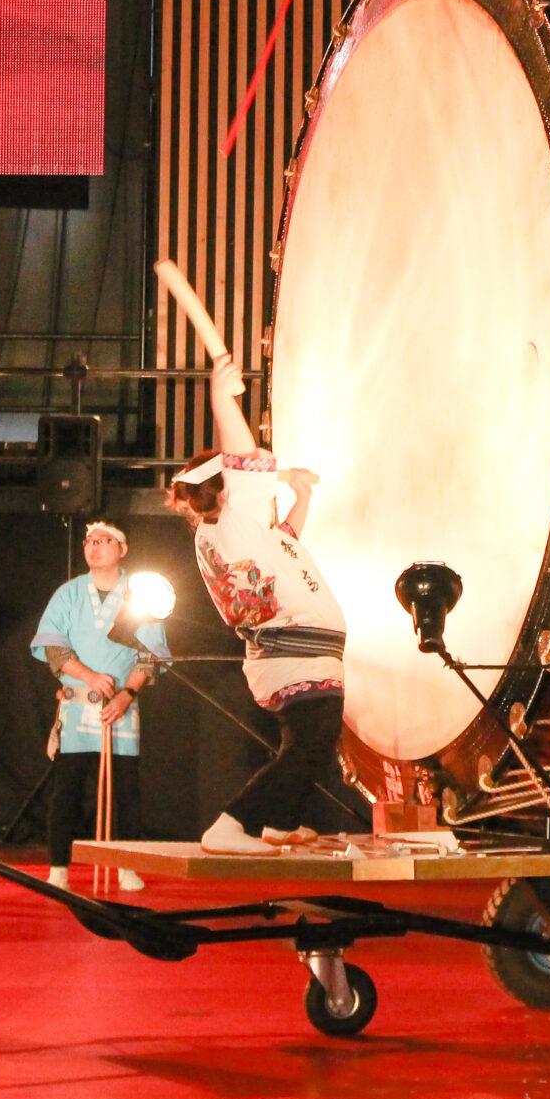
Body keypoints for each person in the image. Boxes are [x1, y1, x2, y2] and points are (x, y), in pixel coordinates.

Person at [162, 308, 346, 856]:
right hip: (291, 651)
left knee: (310, 744)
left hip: (291, 651)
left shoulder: (233, 530)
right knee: (309, 743)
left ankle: (277, 823)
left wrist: (301, 495)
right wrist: (223, 396)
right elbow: (242, 454)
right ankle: (230, 826)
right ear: (226, 487)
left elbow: (282, 542)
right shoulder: (229, 518)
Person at [30, 522, 167, 890]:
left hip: (120, 706)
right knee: (67, 790)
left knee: (127, 792)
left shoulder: (139, 596)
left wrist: (127, 695)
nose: (95, 547)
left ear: (123, 548)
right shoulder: (68, 594)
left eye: (104, 541)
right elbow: (54, 647)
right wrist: (89, 677)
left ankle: (126, 866)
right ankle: (59, 866)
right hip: (77, 704)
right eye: (90, 541)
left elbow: (149, 656)